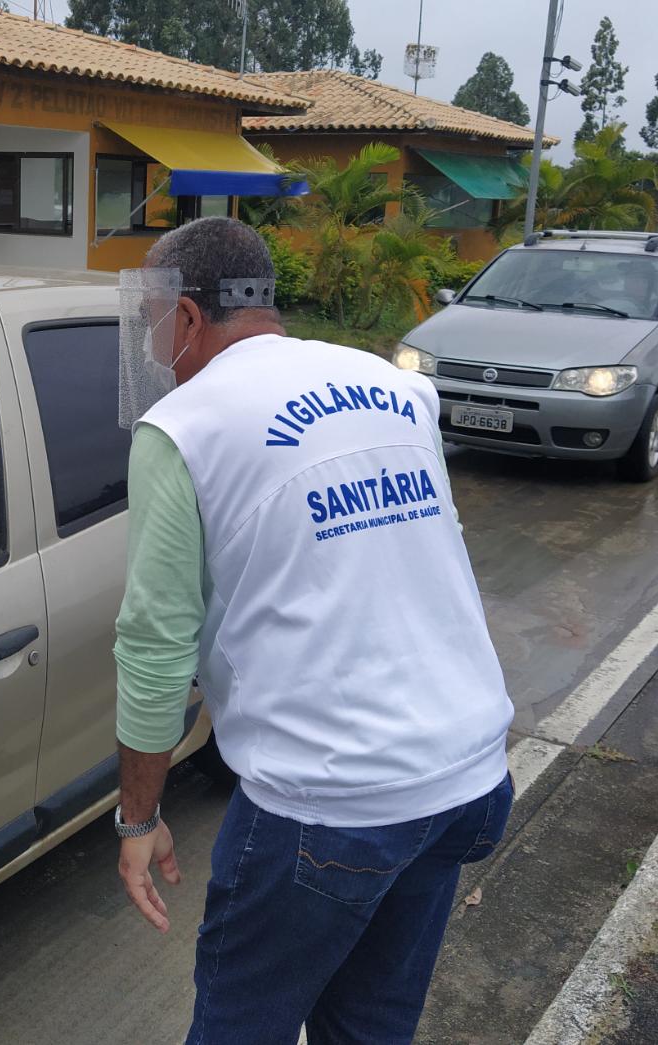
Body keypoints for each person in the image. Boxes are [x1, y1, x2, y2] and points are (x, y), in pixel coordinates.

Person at [112, 217, 514, 1045]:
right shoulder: (394, 385)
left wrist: (137, 818)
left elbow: (155, 649)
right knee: (369, 1028)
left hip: (329, 806)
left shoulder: (185, 426)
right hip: (466, 780)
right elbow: (427, 554)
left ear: (186, 317)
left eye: (154, 320)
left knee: (240, 1027)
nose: (153, 344)